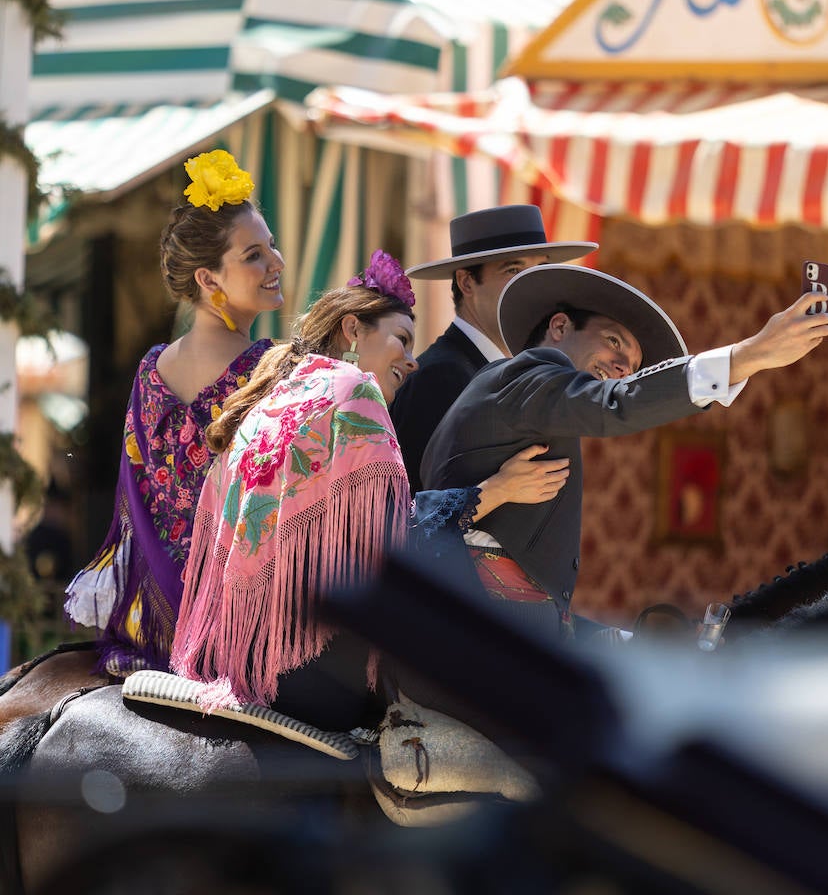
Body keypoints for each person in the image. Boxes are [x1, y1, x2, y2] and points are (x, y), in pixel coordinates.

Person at [171, 251, 569, 734]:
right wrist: (495, 490)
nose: (413, 359)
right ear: (353, 329)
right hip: (309, 667)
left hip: (232, 655)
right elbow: (394, 539)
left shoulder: (277, 392)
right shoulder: (354, 389)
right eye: (401, 338)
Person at [421, 264, 828, 637]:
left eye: (633, 365)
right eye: (613, 342)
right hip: (476, 637)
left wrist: (622, 639)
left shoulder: (527, 400)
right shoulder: (526, 374)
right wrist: (749, 355)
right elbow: (616, 404)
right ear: (561, 327)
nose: (623, 366)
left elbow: (531, 591)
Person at [65, 149, 286, 676]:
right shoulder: (273, 370)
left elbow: (135, 502)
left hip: (152, 623)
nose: (275, 262)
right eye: (254, 254)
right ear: (208, 279)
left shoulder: (149, 369)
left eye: (271, 246)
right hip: (235, 623)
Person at [391, 205, 596, 491]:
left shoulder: (505, 371)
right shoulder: (440, 375)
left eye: (539, 270)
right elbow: (414, 509)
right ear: (467, 282)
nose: (532, 286)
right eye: (513, 270)